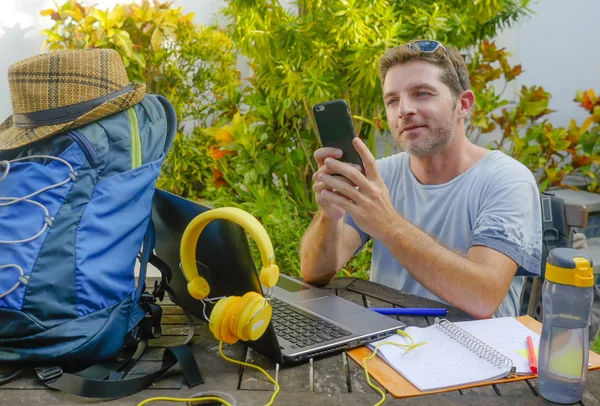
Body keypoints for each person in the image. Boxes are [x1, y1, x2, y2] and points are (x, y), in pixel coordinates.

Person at [300, 40, 542, 319]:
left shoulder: (507, 180)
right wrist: (329, 214)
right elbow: (315, 273)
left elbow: (483, 298)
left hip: (478, 354)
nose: (404, 109)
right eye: (393, 100)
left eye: (422, 93)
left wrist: (388, 225)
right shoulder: (383, 175)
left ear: (463, 105)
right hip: (388, 344)